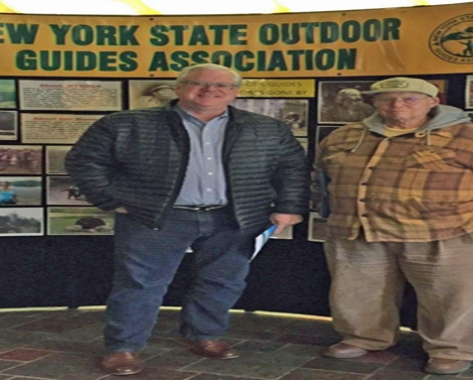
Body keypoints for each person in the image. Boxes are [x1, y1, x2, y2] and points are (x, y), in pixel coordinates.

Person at [65, 63, 309, 376]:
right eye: (198, 83)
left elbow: (292, 167)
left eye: (222, 85)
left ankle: (204, 336)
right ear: (179, 87)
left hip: (236, 217)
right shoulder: (126, 124)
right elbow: (84, 161)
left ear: (236, 92)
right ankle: (123, 348)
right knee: (140, 284)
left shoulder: (266, 128)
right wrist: (111, 200)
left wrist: (289, 206)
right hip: (157, 218)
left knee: (223, 281)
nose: (210, 90)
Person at [314, 77, 473, 375]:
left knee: (453, 298)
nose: (396, 105)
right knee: (357, 292)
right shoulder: (345, 136)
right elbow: (321, 178)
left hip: (448, 235)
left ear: (432, 101)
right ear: (374, 103)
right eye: (386, 99)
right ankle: (364, 337)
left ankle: (453, 349)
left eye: (409, 99)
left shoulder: (469, 136)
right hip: (358, 231)